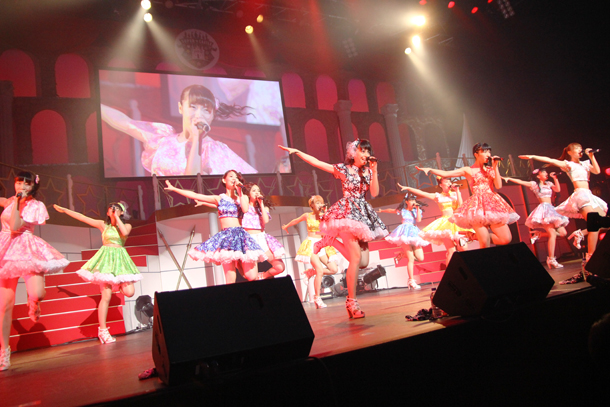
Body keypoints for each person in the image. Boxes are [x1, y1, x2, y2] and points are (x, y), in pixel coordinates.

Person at [279, 139, 388, 319]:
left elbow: (375, 193)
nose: (366, 155)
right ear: (353, 153)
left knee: (363, 263)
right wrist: (297, 151)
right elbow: (318, 163)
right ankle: (352, 302)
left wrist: (375, 171)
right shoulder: (344, 169)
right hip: (346, 215)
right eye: (363, 151)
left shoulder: (368, 172)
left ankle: (331, 241)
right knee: (355, 258)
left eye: (368, 151)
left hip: (363, 215)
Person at [101, 84, 256, 176]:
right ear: (181, 108)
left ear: (212, 116)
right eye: (193, 107)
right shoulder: (163, 138)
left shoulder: (215, 150)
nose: (199, 115)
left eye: (206, 110)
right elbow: (125, 122)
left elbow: (193, 181)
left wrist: (197, 139)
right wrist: (96, 105)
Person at [0, 172, 69, 370]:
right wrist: (13, 202)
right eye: (18, 182)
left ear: (33, 187)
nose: (21, 186)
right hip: (6, 250)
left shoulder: (35, 206)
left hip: (26, 248)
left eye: (27, 183)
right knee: (4, 305)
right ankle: (4, 351)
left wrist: (17, 203)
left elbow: (15, 226)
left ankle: (34, 303)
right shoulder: (8, 201)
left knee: (38, 293)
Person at [53, 202, 141, 344]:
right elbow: (83, 218)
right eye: (111, 209)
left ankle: (117, 284)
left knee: (130, 292)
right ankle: (103, 331)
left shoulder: (127, 226)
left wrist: (117, 217)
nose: (113, 210)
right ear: (107, 212)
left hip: (121, 262)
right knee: (106, 297)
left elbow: (124, 233)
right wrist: (65, 210)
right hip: (106, 261)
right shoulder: (103, 225)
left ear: (122, 212)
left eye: (117, 209)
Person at [519, 143, 607, 281]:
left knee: (603, 223)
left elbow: (596, 171)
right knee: (595, 224)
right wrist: (532, 156)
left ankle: (581, 233)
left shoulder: (585, 163)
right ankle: (591, 260)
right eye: (577, 148)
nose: (580, 150)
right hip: (581, 196)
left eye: (580, 148)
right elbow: (550, 160)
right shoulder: (568, 164)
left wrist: (591, 156)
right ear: (570, 152)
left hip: (589, 195)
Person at [164, 170, 266, 283]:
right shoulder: (219, 198)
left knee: (251, 276)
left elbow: (245, 209)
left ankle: (238, 262)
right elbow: (196, 195)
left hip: (241, 237)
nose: (234, 179)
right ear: (224, 180)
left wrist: (240, 192)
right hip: (226, 238)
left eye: (236, 177)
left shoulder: (243, 197)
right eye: (231, 176)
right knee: (230, 279)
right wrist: (174, 189)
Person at [416, 143, 519, 248]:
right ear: (476, 154)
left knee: (506, 239)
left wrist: (495, 166)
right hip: (478, 207)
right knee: (484, 242)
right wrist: (430, 170)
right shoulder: (468, 170)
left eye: (489, 151)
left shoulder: (490, 169)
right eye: (485, 151)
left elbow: (498, 185)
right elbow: (446, 174)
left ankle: (471, 236)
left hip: (492, 205)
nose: (488, 154)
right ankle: (479, 246)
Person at [398, 178, 475, 267]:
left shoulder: (455, 194)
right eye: (446, 182)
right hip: (445, 224)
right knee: (451, 251)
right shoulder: (438, 196)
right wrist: (408, 188)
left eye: (449, 181)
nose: (449, 183)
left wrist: (457, 190)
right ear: (441, 185)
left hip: (456, 222)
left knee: (463, 248)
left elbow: (461, 206)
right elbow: (422, 193)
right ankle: (451, 271)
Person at [282, 195, 341, 309]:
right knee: (320, 270)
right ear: (312, 205)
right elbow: (296, 220)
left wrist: (325, 213)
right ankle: (317, 298)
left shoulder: (324, 216)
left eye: (320, 202)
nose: (319, 205)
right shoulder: (307, 215)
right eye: (317, 203)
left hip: (322, 244)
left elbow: (332, 224)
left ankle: (311, 273)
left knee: (334, 269)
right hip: (312, 245)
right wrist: (287, 226)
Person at [503, 169, 569, 269]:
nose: (546, 174)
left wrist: (555, 178)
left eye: (546, 172)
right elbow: (521, 182)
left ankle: (540, 234)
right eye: (543, 172)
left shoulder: (549, 183)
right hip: (544, 209)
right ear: (538, 176)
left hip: (552, 209)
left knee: (563, 233)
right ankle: (551, 259)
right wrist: (509, 178)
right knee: (552, 234)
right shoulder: (535, 184)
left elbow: (557, 189)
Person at [378, 194, 429, 289]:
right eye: (411, 200)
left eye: (414, 200)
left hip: (414, 233)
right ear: (406, 201)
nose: (413, 202)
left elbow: (419, 220)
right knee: (411, 259)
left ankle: (402, 255)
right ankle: (411, 280)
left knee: (420, 258)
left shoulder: (416, 210)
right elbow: (392, 210)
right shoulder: (403, 210)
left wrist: (417, 209)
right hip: (404, 233)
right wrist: (382, 210)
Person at [241, 182, 285, 280]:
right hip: (249, 240)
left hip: (262, 238)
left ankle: (263, 276)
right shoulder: (244, 207)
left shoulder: (264, 208)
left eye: (258, 190)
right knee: (251, 277)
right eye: (254, 190)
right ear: (248, 193)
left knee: (280, 267)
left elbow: (265, 221)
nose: (257, 192)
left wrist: (261, 204)